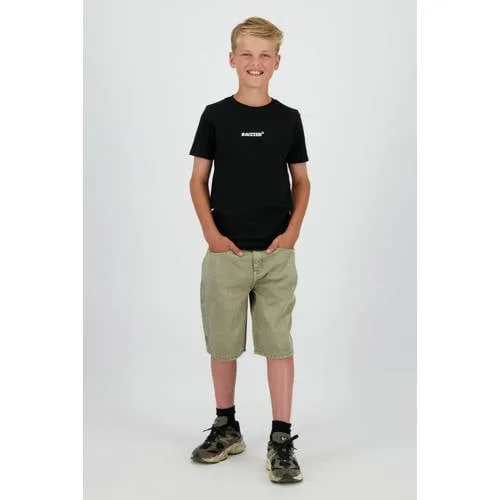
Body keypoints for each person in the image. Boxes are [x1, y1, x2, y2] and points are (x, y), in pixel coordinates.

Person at [188, 16, 311, 484]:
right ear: (232, 59)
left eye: (264, 55)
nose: (255, 62)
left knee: (278, 345)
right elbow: (198, 180)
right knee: (223, 345)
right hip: (227, 254)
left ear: (277, 62)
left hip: (277, 255)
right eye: (247, 54)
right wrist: (212, 235)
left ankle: (281, 438)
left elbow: (301, 181)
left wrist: (292, 232)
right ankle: (227, 427)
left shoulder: (288, 119)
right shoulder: (215, 116)